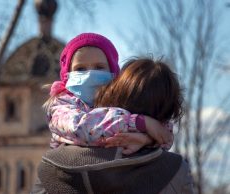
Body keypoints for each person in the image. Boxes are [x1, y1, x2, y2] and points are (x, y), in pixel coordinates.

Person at [33, 58, 194, 194]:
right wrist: (148, 137)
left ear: (116, 91)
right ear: (168, 111)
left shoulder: (53, 166)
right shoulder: (176, 170)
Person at [44, 32, 173, 154]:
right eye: (80, 68)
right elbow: (81, 128)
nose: (89, 74)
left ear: (113, 74)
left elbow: (164, 134)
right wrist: (139, 123)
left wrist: (145, 139)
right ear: (67, 74)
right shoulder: (61, 105)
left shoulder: (118, 101)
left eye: (99, 67)